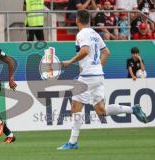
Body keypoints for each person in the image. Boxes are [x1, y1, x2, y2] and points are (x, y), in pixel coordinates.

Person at [57, 10, 148, 150]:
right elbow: (107, 52)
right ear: (88, 20)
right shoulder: (94, 33)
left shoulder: (82, 34)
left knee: (76, 108)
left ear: (77, 20)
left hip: (87, 76)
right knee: (101, 110)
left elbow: (85, 51)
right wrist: (97, 66)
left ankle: (73, 142)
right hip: (98, 75)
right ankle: (132, 109)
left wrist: (69, 62)